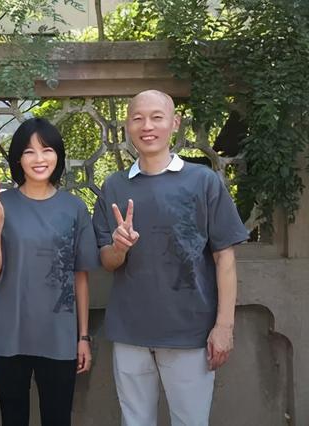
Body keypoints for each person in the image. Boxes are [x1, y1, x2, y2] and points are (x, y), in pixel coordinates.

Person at [92, 90, 249, 426]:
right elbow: (106, 261)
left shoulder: (203, 181)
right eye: (138, 118)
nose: (147, 126)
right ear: (127, 126)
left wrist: (224, 326)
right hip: (130, 331)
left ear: (175, 123)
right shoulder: (114, 186)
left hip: (190, 331)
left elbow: (225, 257)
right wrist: (119, 248)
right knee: (135, 421)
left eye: (156, 117)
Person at [0, 117, 99, 426]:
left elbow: (80, 276)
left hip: (59, 335)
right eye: (29, 151)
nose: (39, 159)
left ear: (58, 155)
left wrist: (83, 337)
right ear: (18, 159)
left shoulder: (75, 208)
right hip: (9, 334)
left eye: (47, 149)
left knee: (58, 419)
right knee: (13, 418)